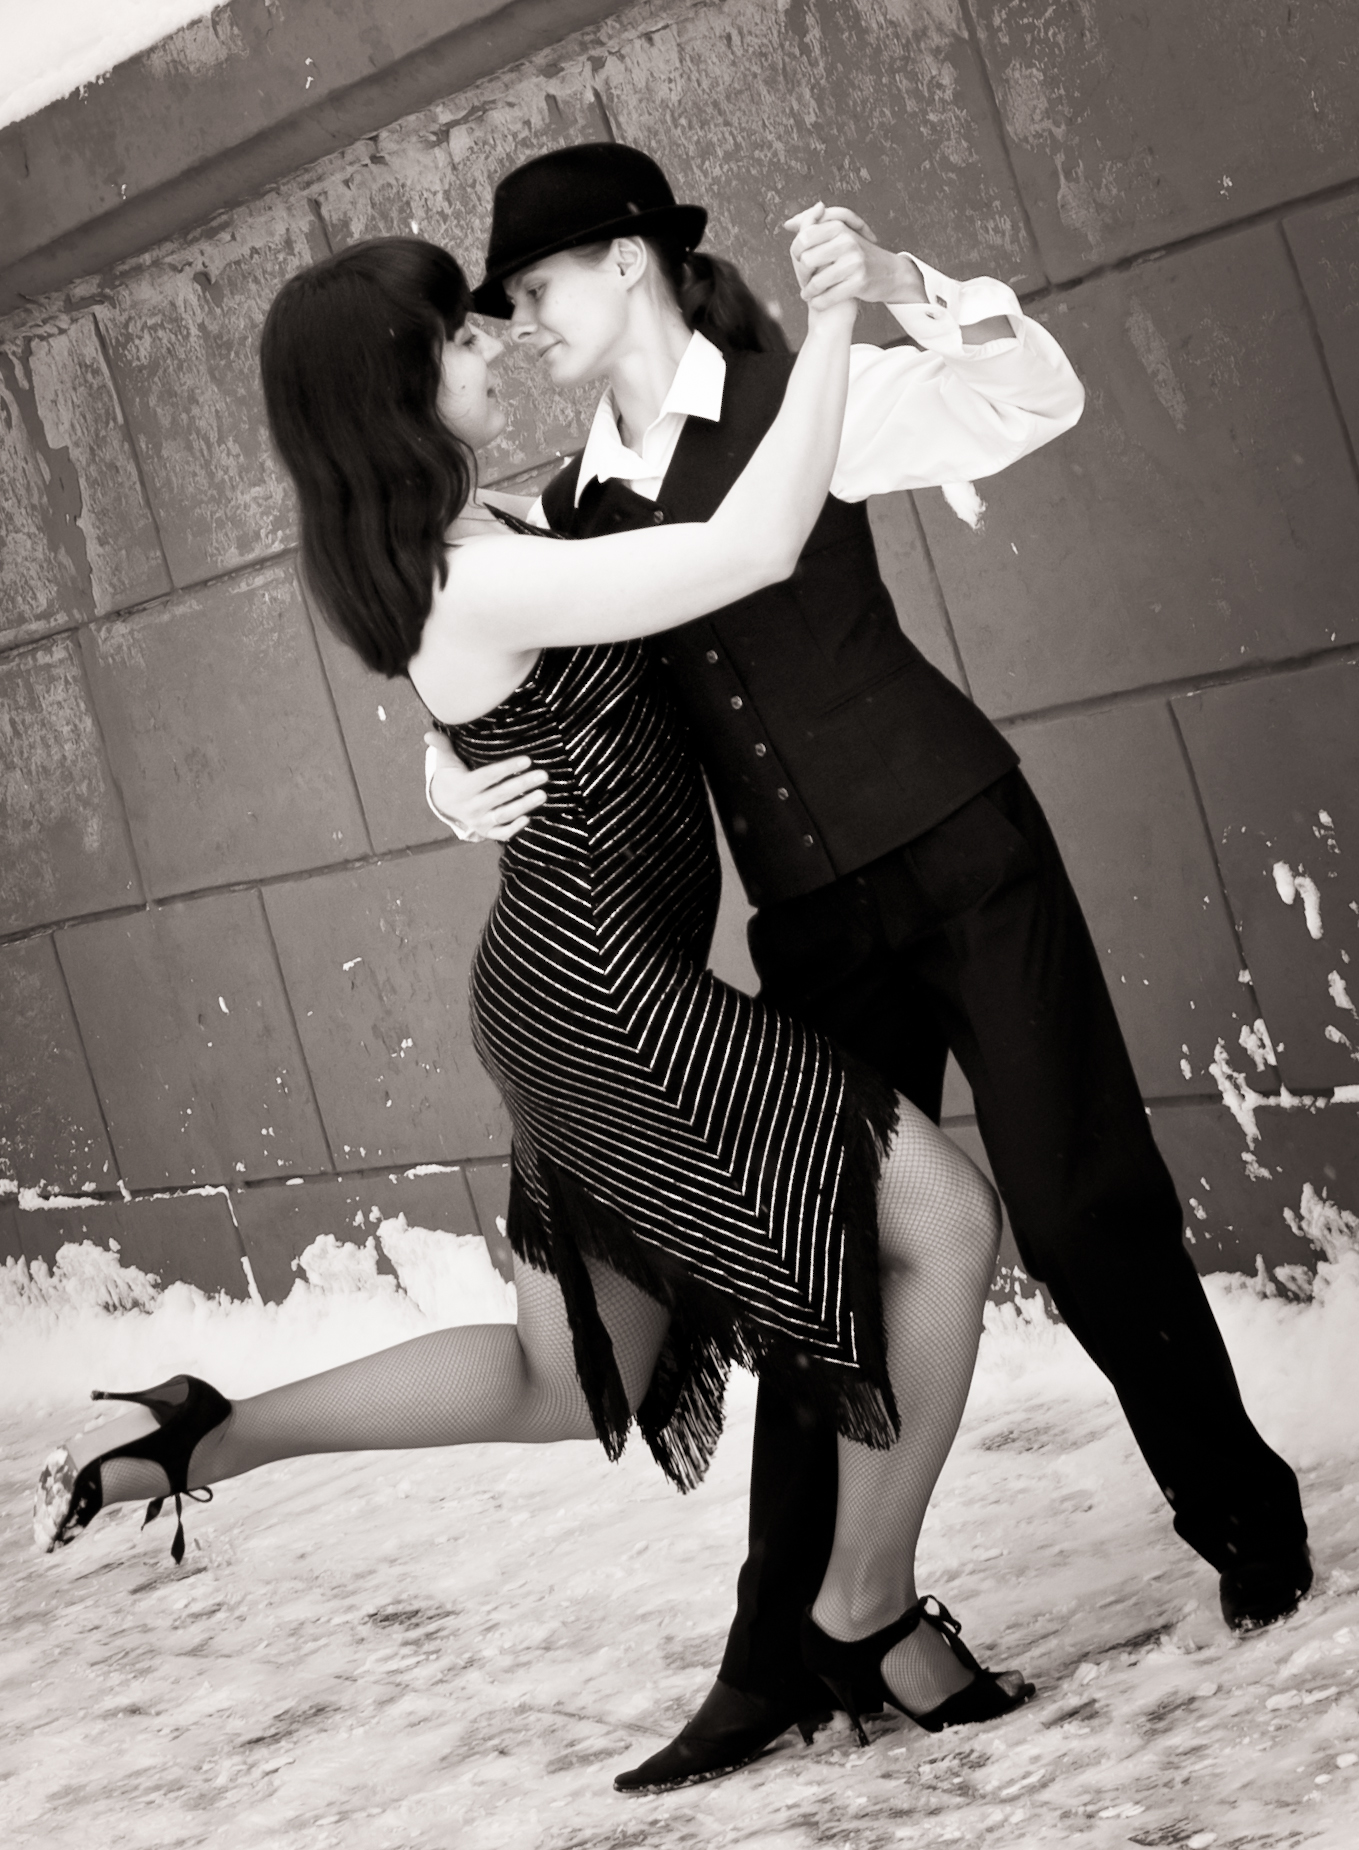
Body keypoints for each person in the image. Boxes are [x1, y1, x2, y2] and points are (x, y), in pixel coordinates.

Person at [34, 226, 1032, 1779]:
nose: (492, 343)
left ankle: (204, 1426)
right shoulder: (473, 573)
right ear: (393, 394)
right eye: (457, 338)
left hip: (566, 984)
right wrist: (832, 326)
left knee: (559, 1378)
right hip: (605, 995)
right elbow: (750, 545)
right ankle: (864, 1605)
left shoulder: (483, 530)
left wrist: (441, 764)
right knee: (947, 1222)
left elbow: (509, 687)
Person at [423, 142, 1312, 1791]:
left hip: (966, 845)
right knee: (817, 1273)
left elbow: (1033, 399)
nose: (524, 324)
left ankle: (1247, 1523)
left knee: (1081, 1205)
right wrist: (443, 773)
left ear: (628, 260)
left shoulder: (798, 394)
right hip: (815, 925)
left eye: (534, 288)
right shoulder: (567, 508)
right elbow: (485, 654)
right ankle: (772, 1663)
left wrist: (906, 290)